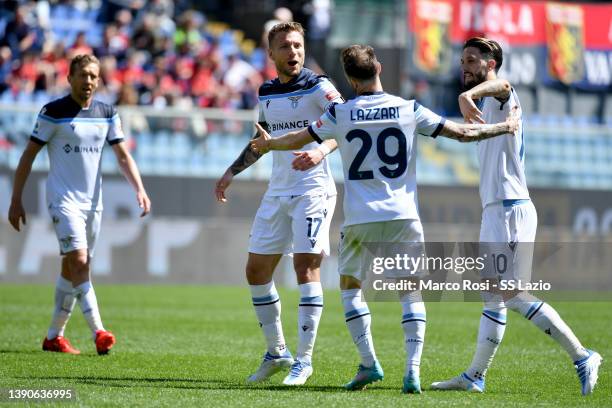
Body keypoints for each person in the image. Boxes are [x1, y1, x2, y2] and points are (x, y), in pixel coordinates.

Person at [250, 44, 519, 393]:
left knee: (350, 290)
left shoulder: (341, 114)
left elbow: (298, 139)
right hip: (403, 215)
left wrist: (269, 146)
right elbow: (462, 133)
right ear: (378, 67)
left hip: (360, 218)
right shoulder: (408, 109)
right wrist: (504, 127)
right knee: (410, 292)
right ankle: (412, 372)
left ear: (349, 78)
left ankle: (368, 363)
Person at [430, 37, 602, 395]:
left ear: (491, 64)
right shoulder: (485, 106)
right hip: (496, 208)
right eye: (462, 59)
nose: (465, 66)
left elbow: (506, 85)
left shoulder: (500, 96)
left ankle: (583, 355)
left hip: (511, 206)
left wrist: (468, 96)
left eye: (473, 59)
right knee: (494, 296)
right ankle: (475, 376)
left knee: (513, 295)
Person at [214, 22, 344, 386]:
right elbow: (264, 140)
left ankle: (304, 360)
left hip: (313, 189)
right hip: (278, 190)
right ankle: (277, 352)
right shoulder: (267, 91)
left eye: (298, 45)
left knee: (305, 268)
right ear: (270, 53)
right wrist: (231, 172)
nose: (294, 52)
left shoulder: (320, 85)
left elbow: (346, 124)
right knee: (256, 271)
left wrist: (320, 149)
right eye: (285, 46)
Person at [8, 54, 151, 355]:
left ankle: (53, 337)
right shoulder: (53, 112)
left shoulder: (107, 112)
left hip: (93, 205)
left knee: (70, 267)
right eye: (83, 75)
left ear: (99, 81)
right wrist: (16, 198)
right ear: (70, 78)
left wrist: (139, 188)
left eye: (93, 76)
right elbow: (28, 156)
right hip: (64, 202)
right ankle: (99, 331)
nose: (88, 81)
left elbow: (123, 155)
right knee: (81, 264)